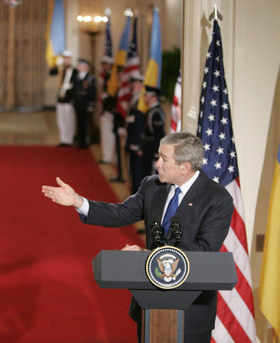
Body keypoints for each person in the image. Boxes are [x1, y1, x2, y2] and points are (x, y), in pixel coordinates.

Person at [42, 132, 233, 343]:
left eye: (164, 159)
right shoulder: (152, 186)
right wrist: (79, 202)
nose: (157, 164)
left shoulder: (217, 198)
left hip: (192, 311)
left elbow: (204, 251)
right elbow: (121, 213)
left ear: (184, 167)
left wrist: (147, 256)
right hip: (150, 305)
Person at [50, 50, 77, 147]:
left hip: (69, 99)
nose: (66, 60)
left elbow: (76, 85)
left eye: (67, 58)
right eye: (64, 58)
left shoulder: (74, 71)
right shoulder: (61, 68)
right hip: (61, 98)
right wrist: (56, 63)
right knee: (61, 120)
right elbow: (51, 72)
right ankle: (63, 139)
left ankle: (69, 139)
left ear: (70, 59)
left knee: (69, 120)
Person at [126, 74, 145, 193]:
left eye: (137, 83)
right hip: (132, 137)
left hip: (136, 139)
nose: (134, 85)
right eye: (133, 83)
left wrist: (137, 142)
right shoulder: (135, 97)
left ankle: (136, 194)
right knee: (133, 169)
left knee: (137, 170)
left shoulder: (140, 100)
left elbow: (140, 123)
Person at [72, 58, 97, 149]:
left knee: (86, 123)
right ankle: (80, 140)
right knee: (79, 122)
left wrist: (91, 103)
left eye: (80, 65)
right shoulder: (77, 77)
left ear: (86, 67)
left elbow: (92, 91)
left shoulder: (90, 78)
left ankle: (86, 141)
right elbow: (74, 90)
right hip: (78, 102)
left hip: (86, 103)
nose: (78, 67)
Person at [142, 85, 165, 177]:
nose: (144, 97)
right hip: (147, 146)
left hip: (152, 147)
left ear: (154, 97)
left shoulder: (156, 113)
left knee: (151, 174)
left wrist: (157, 152)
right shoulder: (151, 111)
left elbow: (159, 134)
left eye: (146, 95)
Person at [98, 55, 116, 164]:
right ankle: (106, 155)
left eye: (106, 64)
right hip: (106, 109)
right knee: (105, 134)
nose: (104, 66)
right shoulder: (106, 76)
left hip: (110, 110)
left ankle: (108, 156)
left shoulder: (112, 77)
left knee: (108, 134)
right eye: (103, 64)